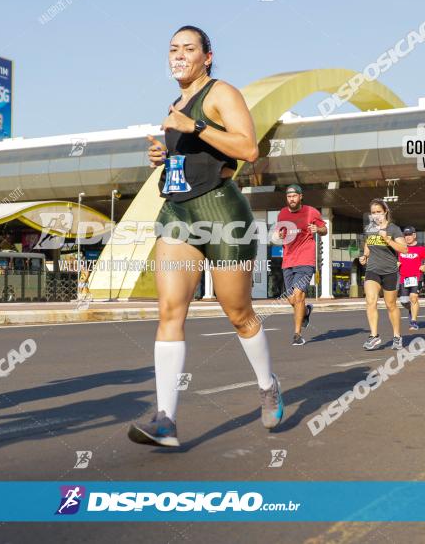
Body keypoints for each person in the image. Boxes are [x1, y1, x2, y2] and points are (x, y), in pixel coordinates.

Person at [128, 25, 282, 448]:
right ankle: (165, 420)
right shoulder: (176, 104)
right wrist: (165, 154)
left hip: (220, 212)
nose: (179, 54)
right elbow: (194, 158)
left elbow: (248, 149)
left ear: (207, 56)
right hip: (178, 211)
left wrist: (193, 125)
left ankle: (267, 384)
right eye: (173, 48)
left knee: (238, 313)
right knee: (169, 311)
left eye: (188, 48)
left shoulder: (220, 93)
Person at [273, 184, 326, 345]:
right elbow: (279, 234)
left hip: (305, 259)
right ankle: (306, 311)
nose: (292, 199)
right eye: (289, 197)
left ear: (300, 196)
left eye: (294, 196)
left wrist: (317, 229)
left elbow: (324, 229)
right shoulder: (282, 213)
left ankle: (297, 334)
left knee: (298, 296)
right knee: (291, 300)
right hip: (288, 260)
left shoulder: (311, 212)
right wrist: (280, 235)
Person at [358, 199, 407, 350]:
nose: (376, 215)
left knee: (390, 305)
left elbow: (404, 249)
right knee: (370, 301)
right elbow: (368, 244)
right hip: (372, 270)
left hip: (390, 271)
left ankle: (397, 336)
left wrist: (387, 240)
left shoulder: (394, 229)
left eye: (378, 212)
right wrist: (364, 256)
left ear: (385, 212)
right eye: (373, 213)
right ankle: (374, 336)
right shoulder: (369, 228)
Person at [397, 226, 425, 330]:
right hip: (404, 277)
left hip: (416, 276)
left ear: (414, 235)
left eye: (410, 235)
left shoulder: (421, 248)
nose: (408, 237)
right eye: (405, 235)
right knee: (404, 301)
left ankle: (413, 322)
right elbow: (395, 259)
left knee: (414, 297)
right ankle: (411, 309)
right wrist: (396, 263)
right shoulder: (400, 248)